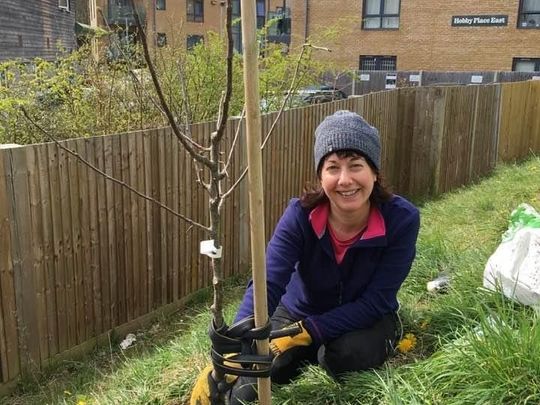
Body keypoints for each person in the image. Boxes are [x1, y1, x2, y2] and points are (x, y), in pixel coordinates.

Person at [191, 110, 420, 404]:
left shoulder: (401, 220)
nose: (345, 179)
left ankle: (328, 347)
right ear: (320, 175)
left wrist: (308, 332)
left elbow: (376, 300)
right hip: (298, 313)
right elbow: (268, 283)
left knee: (344, 356)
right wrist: (232, 350)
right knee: (249, 387)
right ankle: (299, 354)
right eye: (333, 167)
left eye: (356, 165)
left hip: (364, 316)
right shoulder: (299, 216)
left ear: (374, 172)